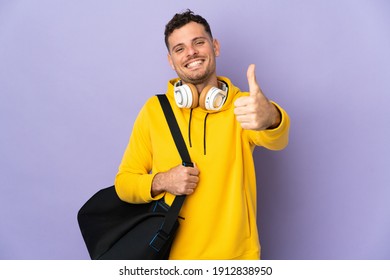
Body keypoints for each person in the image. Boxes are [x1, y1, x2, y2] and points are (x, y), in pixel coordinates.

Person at [115, 9, 290, 260]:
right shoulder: (155, 111)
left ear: (214, 46)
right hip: (173, 260)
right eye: (180, 49)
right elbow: (124, 184)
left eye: (199, 42)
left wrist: (271, 117)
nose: (191, 53)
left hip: (237, 259)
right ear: (171, 61)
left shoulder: (241, 105)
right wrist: (162, 181)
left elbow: (278, 140)